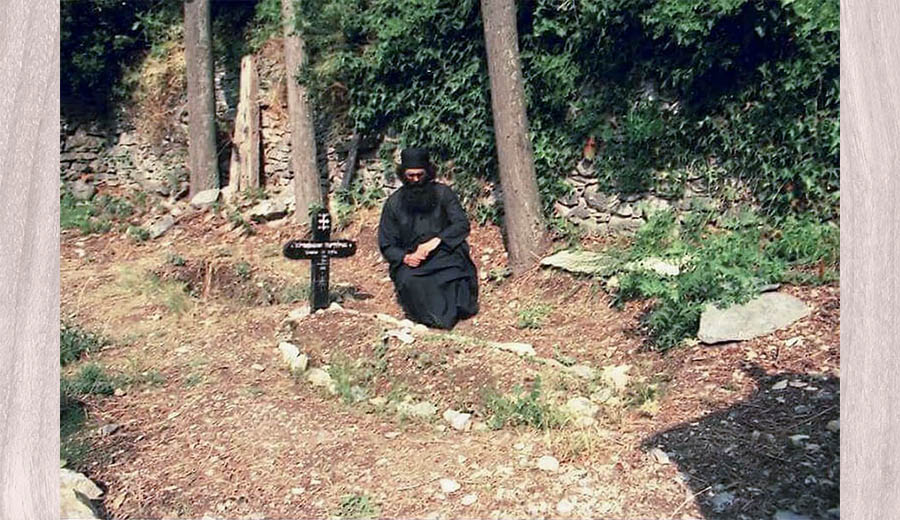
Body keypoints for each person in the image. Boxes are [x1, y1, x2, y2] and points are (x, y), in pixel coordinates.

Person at [377, 148, 478, 329]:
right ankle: (431, 318)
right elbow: (387, 244)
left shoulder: (443, 194)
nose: (415, 180)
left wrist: (436, 241)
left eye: (419, 175)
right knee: (409, 280)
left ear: (428, 172)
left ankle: (452, 314)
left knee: (456, 273)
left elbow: (461, 225)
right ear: (403, 175)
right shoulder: (394, 203)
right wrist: (405, 258)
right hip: (414, 261)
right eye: (410, 175)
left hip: (445, 253)